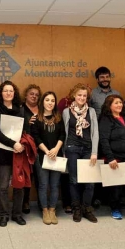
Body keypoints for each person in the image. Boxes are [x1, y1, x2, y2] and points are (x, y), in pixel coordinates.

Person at [0, 81, 27, 227]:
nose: (8, 93)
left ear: (14, 93)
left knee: (19, 185)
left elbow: (25, 130)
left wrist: (21, 145)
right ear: (1, 93)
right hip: (2, 153)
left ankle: (17, 214)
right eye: (5, 91)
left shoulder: (20, 109)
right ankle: (4, 214)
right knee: (3, 186)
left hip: (18, 152)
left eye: (11, 91)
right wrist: (13, 144)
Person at [63, 83, 98, 223]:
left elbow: (95, 133)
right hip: (72, 148)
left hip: (88, 149)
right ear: (74, 95)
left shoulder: (92, 112)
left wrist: (94, 152)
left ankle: (86, 208)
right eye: (79, 95)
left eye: (84, 95)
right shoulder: (66, 112)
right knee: (74, 180)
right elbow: (64, 132)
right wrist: (64, 151)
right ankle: (76, 208)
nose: (82, 98)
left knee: (90, 182)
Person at [31, 91, 65, 225]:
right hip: (42, 156)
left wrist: (56, 149)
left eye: (52, 100)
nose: (50, 103)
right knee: (43, 185)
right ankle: (45, 210)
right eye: (47, 100)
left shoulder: (58, 118)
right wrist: (46, 151)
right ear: (42, 102)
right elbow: (36, 137)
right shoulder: (36, 119)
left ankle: (52, 209)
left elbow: (62, 135)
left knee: (55, 185)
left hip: (57, 156)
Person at [90, 66, 120, 209]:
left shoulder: (117, 94)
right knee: (98, 166)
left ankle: (110, 198)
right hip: (97, 133)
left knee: (111, 164)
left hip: (114, 134)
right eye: (102, 77)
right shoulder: (92, 94)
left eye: (107, 76)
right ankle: (97, 197)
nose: (105, 79)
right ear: (97, 79)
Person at [21, 84, 41, 214]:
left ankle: (42, 202)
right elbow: (16, 129)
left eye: (37, 94)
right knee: (28, 176)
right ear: (26, 95)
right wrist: (27, 124)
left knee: (41, 177)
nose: (34, 96)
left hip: (42, 147)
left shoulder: (43, 109)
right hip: (26, 148)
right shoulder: (20, 109)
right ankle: (25, 202)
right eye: (31, 93)